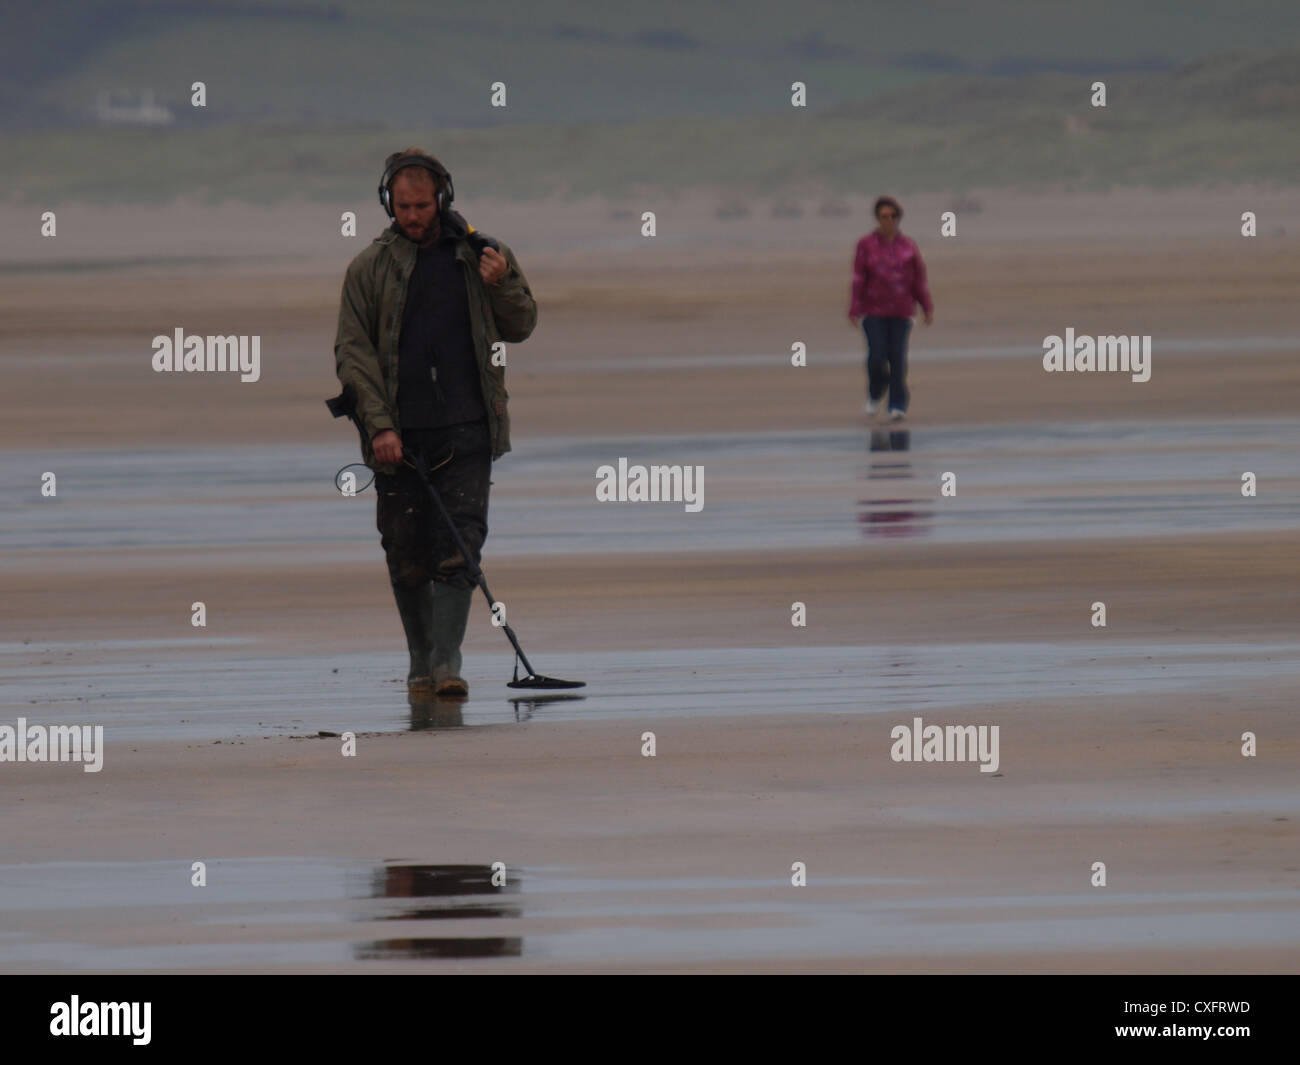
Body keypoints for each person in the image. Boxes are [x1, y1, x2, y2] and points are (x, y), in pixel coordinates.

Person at [334, 148, 537, 697]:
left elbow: (521, 326)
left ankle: (447, 667)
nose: (413, 216)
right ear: (387, 203)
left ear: (442, 199)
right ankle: (420, 664)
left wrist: (501, 284)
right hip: (397, 436)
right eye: (402, 206)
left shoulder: (483, 254)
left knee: (460, 547)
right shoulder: (368, 270)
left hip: (469, 428)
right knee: (404, 554)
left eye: (422, 206)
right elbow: (353, 357)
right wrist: (379, 428)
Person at [848, 196, 934, 421]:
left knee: (897, 358)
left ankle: (897, 405)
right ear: (877, 218)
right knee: (876, 357)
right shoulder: (865, 244)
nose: (889, 220)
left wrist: (926, 306)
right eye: (884, 216)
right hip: (873, 310)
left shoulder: (908, 246)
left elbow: (918, 278)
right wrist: (854, 308)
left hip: (901, 310)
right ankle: (876, 392)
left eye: (893, 216)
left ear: (898, 218)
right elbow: (858, 278)